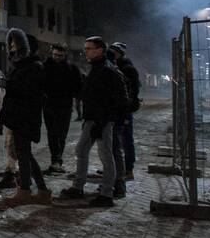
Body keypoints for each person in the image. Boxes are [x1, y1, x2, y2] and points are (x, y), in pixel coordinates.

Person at [59, 37, 129, 207]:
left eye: (89, 48)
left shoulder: (107, 70)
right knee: (82, 150)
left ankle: (106, 194)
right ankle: (78, 187)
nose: (86, 51)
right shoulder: (97, 68)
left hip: (101, 120)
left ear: (99, 50)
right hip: (92, 119)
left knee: (105, 155)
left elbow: (113, 100)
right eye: (86, 48)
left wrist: (101, 122)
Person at [0, 28, 50, 204]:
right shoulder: (20, 65)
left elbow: (31, 93)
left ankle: (25, 190)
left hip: (25, 117)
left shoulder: (34, 67)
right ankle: (42, 190)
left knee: (24, 154)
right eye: (10, 43)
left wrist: (8, 86)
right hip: (17, 116)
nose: (11, 46)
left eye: (14, 43)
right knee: (26, 154)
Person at [42, 43, 83, 173]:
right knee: (52, 134)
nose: (57, 57)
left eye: (60, 55)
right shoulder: (45, 67)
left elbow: (79, 86)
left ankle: (57, 160)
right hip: (49, 106)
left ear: (64, 55)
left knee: (61, 135)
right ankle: (55, 160)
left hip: (64, 107)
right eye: (55, 55)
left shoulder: (71, 68)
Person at [110, 42, 140, 182]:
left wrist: (128, 108)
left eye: (114, 51)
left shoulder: (127, 69)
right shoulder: (115, 66)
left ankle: (128, 169)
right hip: (116, 110)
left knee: (126, 139)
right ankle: (117, 168)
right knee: (116, 140)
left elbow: (132, 91)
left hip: (124, 110)